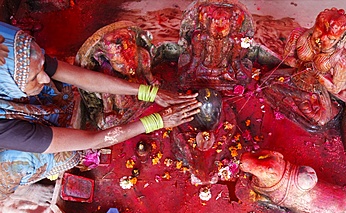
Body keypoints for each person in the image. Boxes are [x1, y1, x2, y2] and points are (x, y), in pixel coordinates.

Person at [0, 21, 201, 200]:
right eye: (34, 77)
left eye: (43, 66)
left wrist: (150, 92)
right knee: (40, 157)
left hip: (17, 108)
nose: (45, 78)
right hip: (8, 149)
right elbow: (91, 139)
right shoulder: (4, 127)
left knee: (55, 86)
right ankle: (21, 191)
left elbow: (85, 79)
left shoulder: (19, 58)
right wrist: (157, 121)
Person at [261, 8, 346, 131]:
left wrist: (320, 77)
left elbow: (335, 88)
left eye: (330, 39)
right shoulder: (299, 35)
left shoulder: (344, 59)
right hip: (294, 77)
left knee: (319, 121)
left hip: (315, 90)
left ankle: (298, 99)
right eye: (318, 31)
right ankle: (298, 97)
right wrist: (297, 62)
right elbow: (286, 58)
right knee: (266, 82)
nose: (321, 39)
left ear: (340, 40)